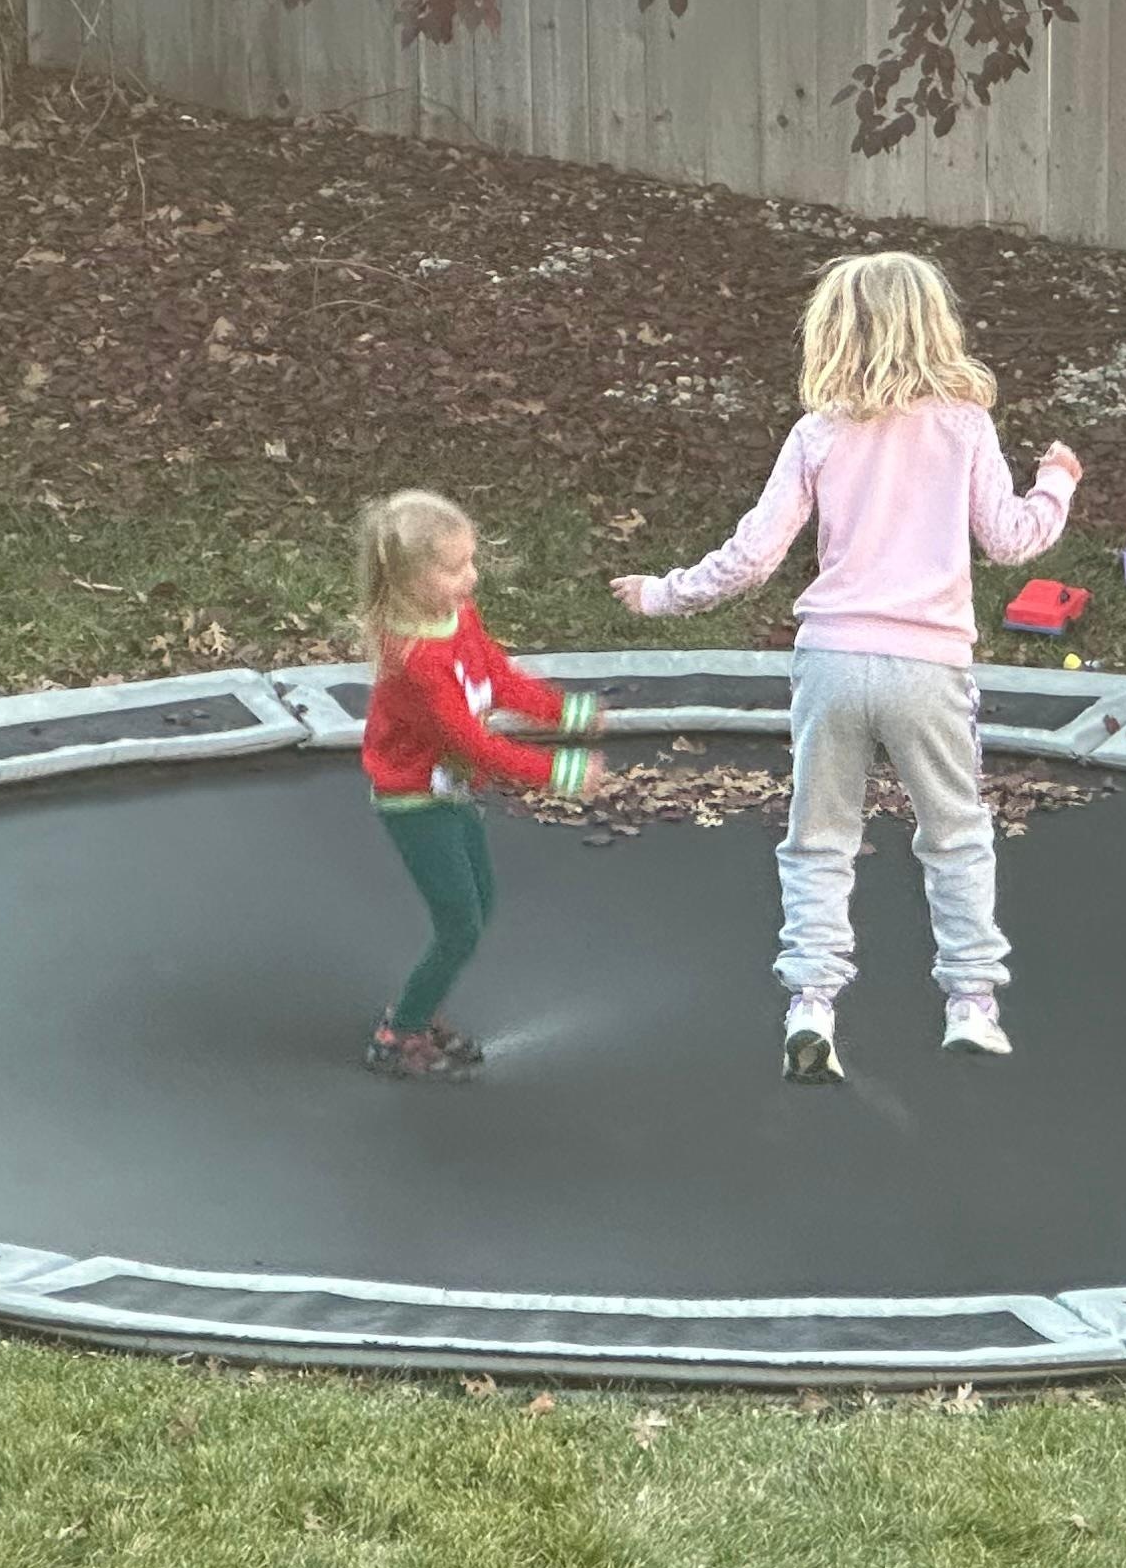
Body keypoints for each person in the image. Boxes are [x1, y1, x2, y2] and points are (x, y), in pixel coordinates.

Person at [615, 251, 1079, 1083]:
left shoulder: (819, 433)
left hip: (830, 661)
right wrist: (1057, 482)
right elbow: (1012, 539)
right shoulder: (963, 424)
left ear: (834, 331)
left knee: (820, 839)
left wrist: (659, 595)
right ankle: (971, 1002)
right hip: (928, 665)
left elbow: (752, 558)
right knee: (957, 833)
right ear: (936, 326)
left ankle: (811, 1004)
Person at [353, 489, 599, 1079]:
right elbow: (469, 740)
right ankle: (399, 1031)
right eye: (454, 566)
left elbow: (495, 674)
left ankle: (421, 1009)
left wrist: (562, 712)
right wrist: (558, 773)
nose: (472, 575)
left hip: (453, 791)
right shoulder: (415, 659)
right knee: (459, 923)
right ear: (410, 578)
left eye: (471, 560)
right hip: (413, 800)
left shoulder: (457, 617)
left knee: (481, 904)